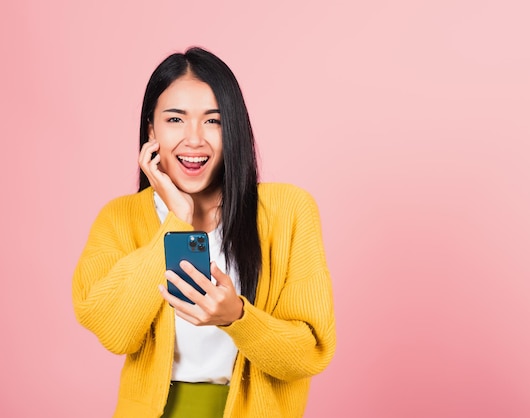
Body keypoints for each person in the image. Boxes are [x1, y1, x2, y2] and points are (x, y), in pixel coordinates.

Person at [72, 47, 336, 418]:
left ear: (234, 128)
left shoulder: (289, 211)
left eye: (213, 121)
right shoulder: (120, 218)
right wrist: (177, 218)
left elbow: (310, 352)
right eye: (175, 119)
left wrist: (237, 317)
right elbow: (115, 332)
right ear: (151, 128)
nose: (194, 139)